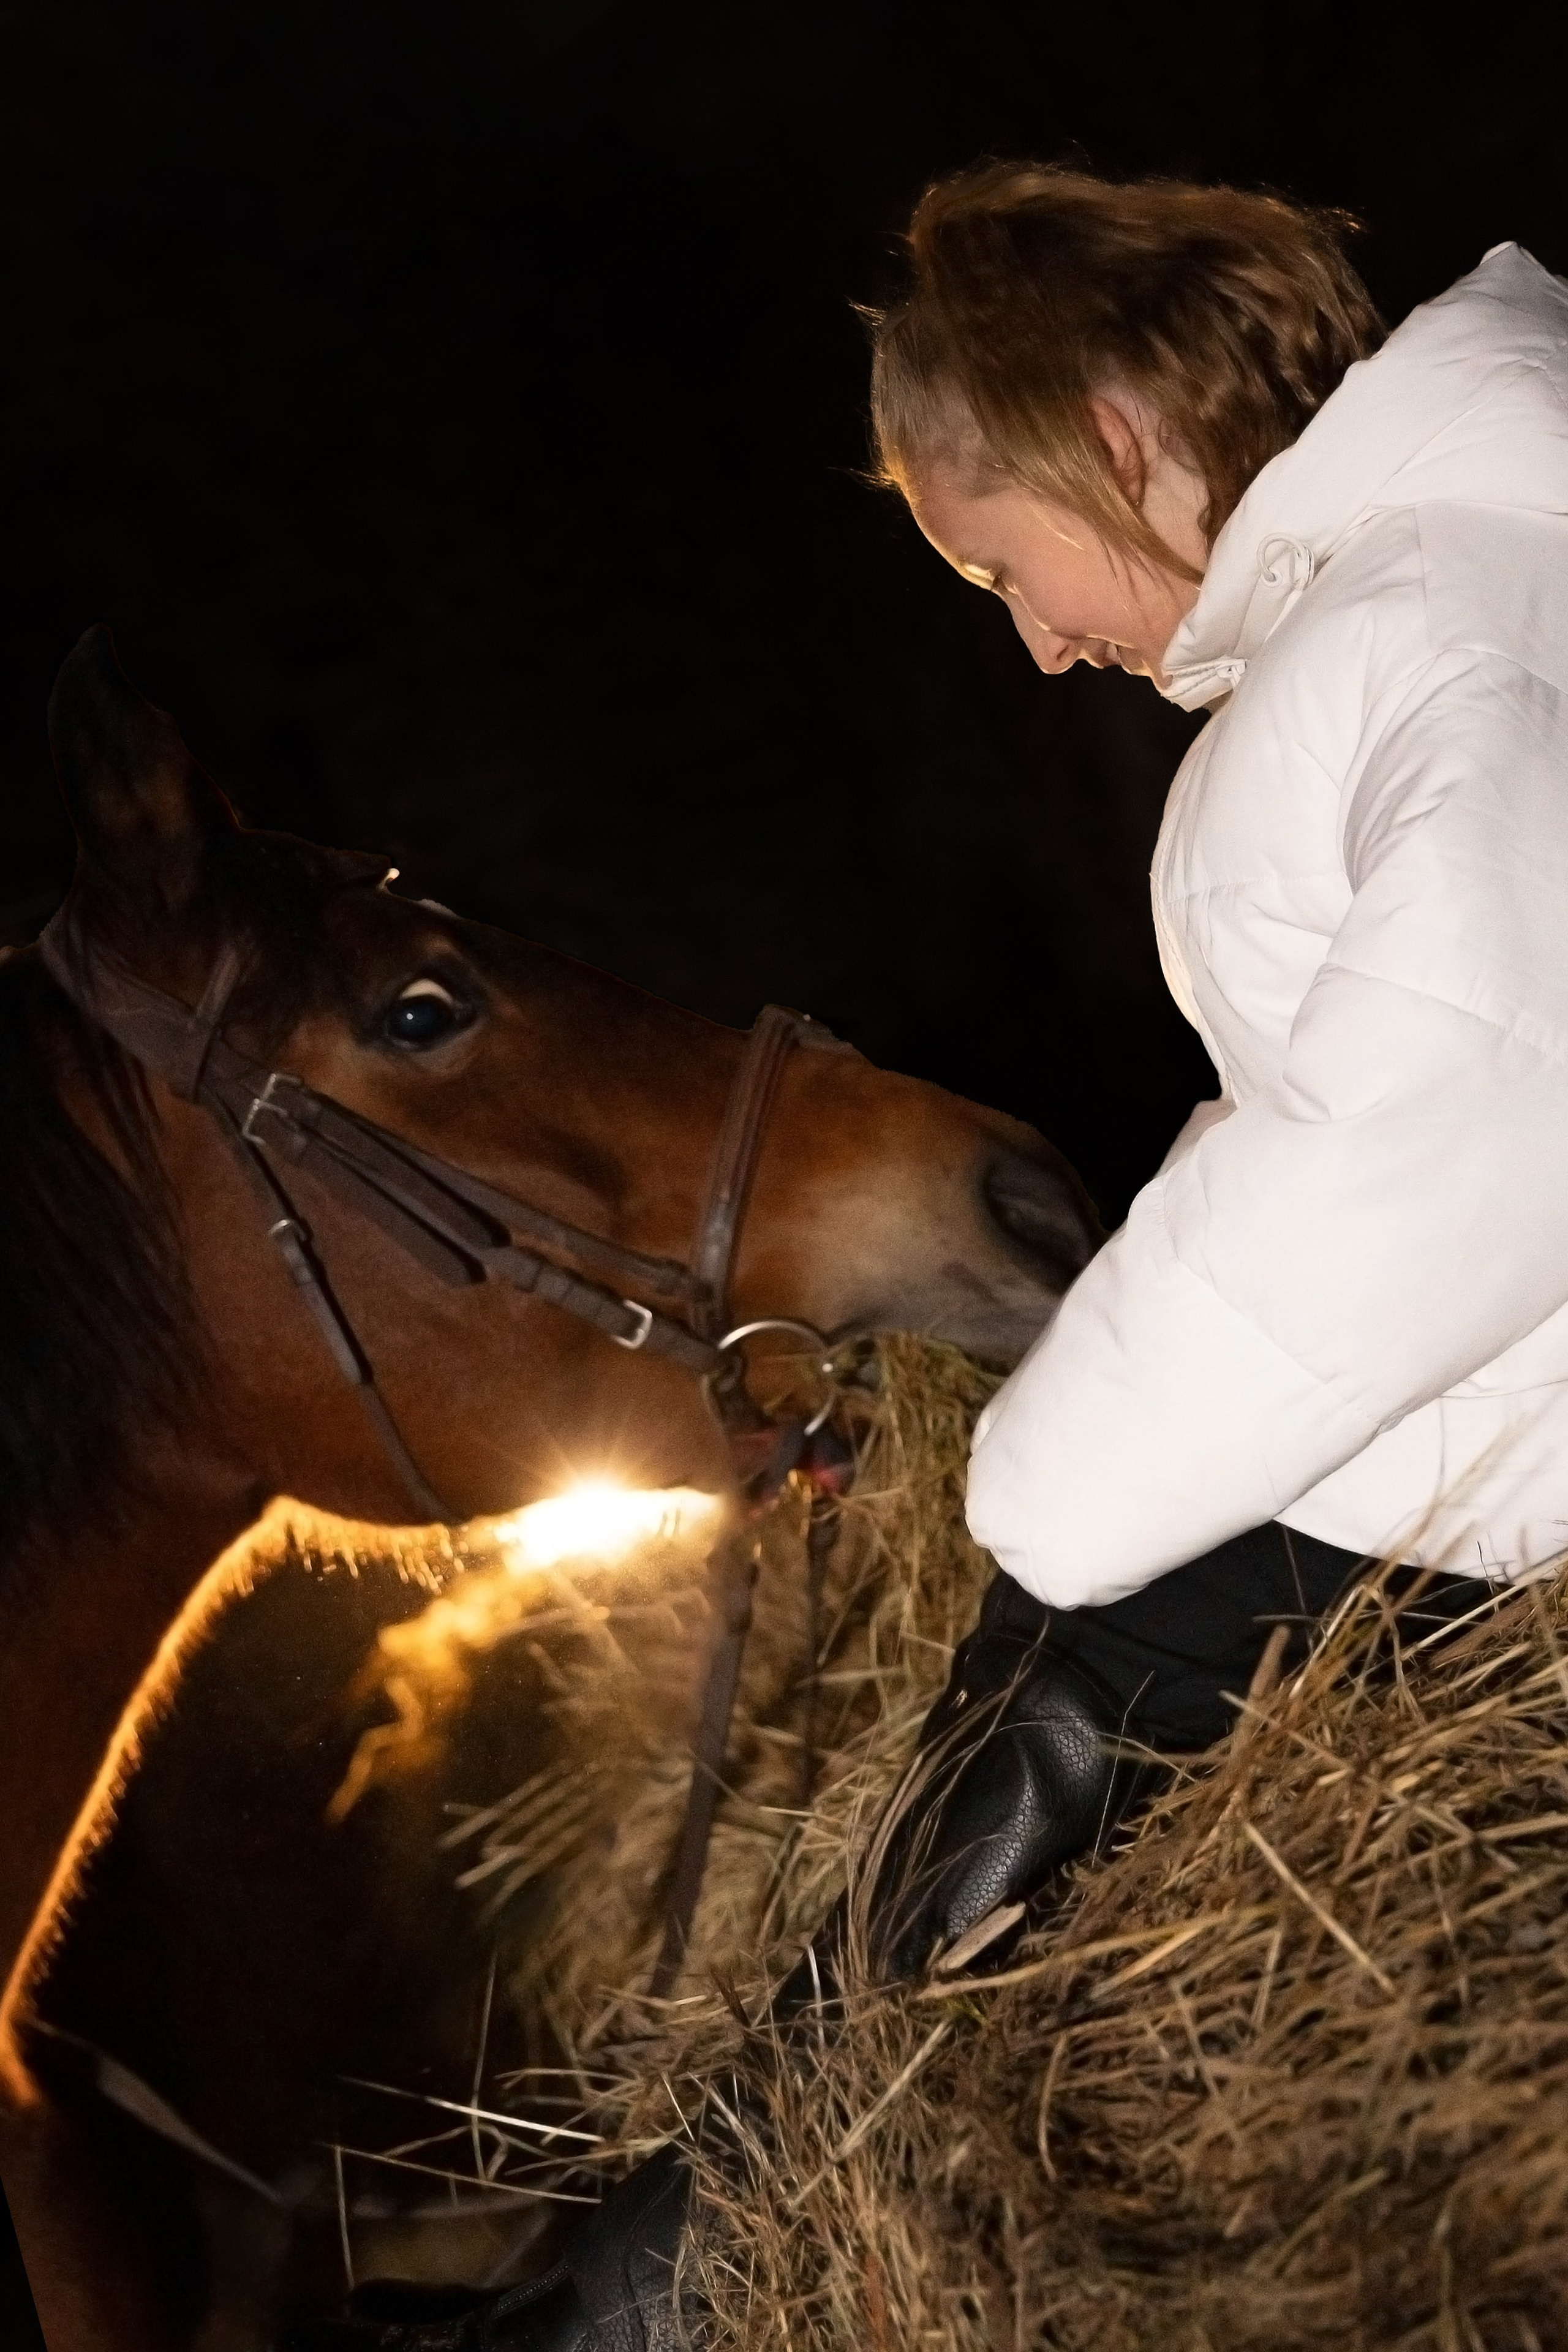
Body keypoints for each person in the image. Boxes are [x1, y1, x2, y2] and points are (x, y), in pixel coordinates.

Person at [293, 161, 1568, 2350]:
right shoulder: (1442, 586)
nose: (1041, 637)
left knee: (1075, 1687)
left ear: (1121, 444)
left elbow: (1475, 1099)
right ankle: (624, 2273)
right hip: (1469, 1386)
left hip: (1490, 1456)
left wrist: (1062, 1465)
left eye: (999, 565)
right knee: (1032, 1677)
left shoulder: (1452, 614)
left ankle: (655, 2305)